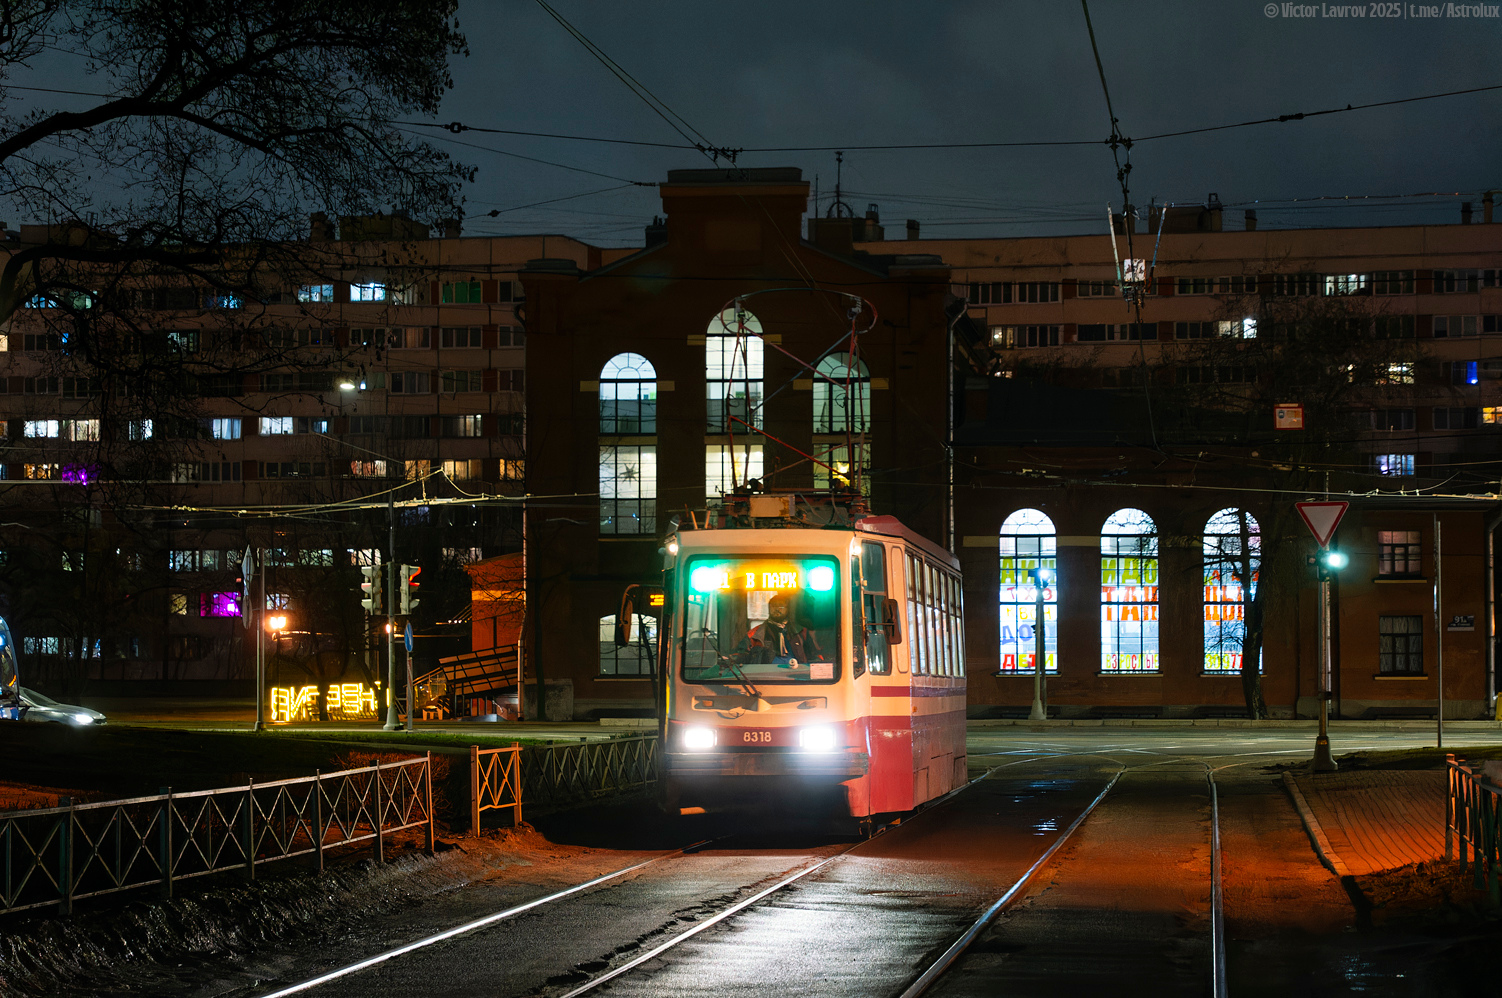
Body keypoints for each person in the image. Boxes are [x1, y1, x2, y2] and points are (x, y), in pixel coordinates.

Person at [737, 592, 823, 667]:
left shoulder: (800, 631)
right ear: (769, 608)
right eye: (773, 606)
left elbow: (815, 655)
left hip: (796, 674)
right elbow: (740, 657)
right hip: (766, 676)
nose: (777, 609)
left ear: (787, 609)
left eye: (781, 606)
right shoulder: (755, 634)